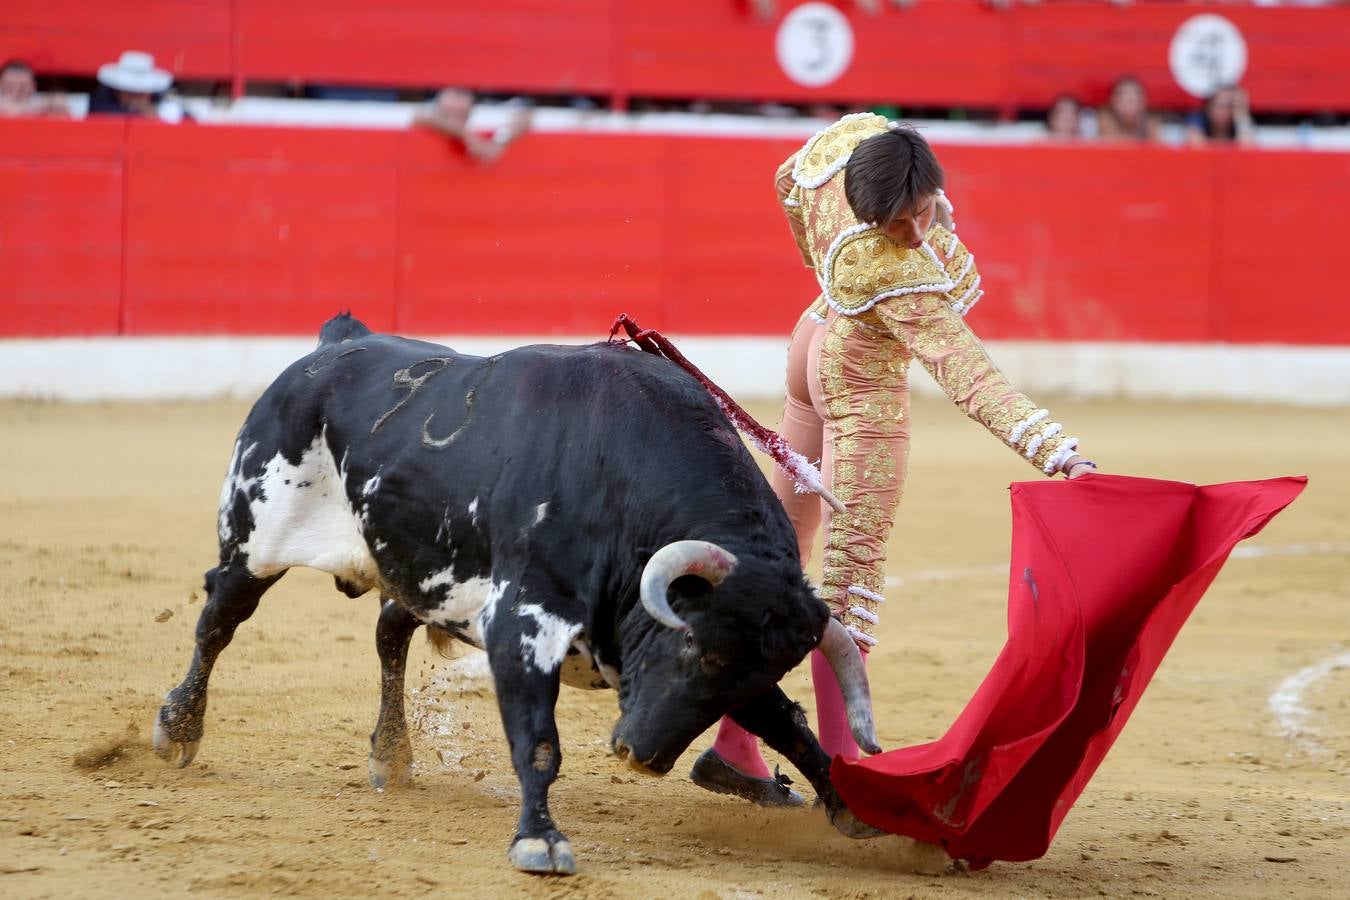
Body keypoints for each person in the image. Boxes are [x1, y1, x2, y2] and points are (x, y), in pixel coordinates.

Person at [689, 114, 1098, 806]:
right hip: (860, 381)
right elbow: (969, 374)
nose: (912, 234)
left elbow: (789, 179)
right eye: (895, 225)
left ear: (928, 179)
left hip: (811, 338)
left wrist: (823, 271)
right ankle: (843, 772)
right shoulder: (896, 266)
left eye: (919, 214)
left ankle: (735, 743)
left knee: (781, 557)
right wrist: (1055, 449)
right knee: (851, 576)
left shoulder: (848, 145)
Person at [412, 87, 531, 164]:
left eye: (461, 96)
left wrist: (500, 140)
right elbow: (419, 116)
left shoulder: (488, 106)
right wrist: (465, 134)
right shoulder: (427, 106)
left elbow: (526, 113)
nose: (457, 107)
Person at [89, 51, 186, 121]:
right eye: (129, 92)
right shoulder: (95, 107)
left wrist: (157, 118)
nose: (135, 98)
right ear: (117, 91)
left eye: (141, 93)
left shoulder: (169, 110)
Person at [1184, 85, 1254, 147]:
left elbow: (1247, 146)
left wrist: (1241, 115)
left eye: (1230, 106)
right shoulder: (1197, 118)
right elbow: (1196, 144)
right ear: (1209, 107)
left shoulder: (1238, 123)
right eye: (1220, 105)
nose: (1224, 111)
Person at [1096, 75, 1160, 142]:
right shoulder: (1102, 126)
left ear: (1144, 101)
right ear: (1113, 100)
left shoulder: (1153, 128)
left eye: (1136, 94)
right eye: (1123, 94)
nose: (1130, 99)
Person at [0, 59, 69, 118]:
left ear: (33, 87)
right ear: (1, 86)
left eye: (23, 87)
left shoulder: (49, 107)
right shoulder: (42, 106)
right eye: (10, 87)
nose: (16, 91)